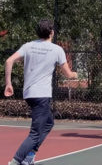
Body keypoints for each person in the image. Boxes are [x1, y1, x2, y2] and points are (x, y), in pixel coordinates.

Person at [4, 19, 78, 165]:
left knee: (49, 123)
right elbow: (68, 75)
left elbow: (8, 61)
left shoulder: (28, 46)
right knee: (35, 132)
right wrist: (75, 74)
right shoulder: (57, 50)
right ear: (51, 32)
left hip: (29, 94)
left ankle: (30, 155)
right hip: (41, 95)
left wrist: (8, 83)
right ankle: (16, 161)